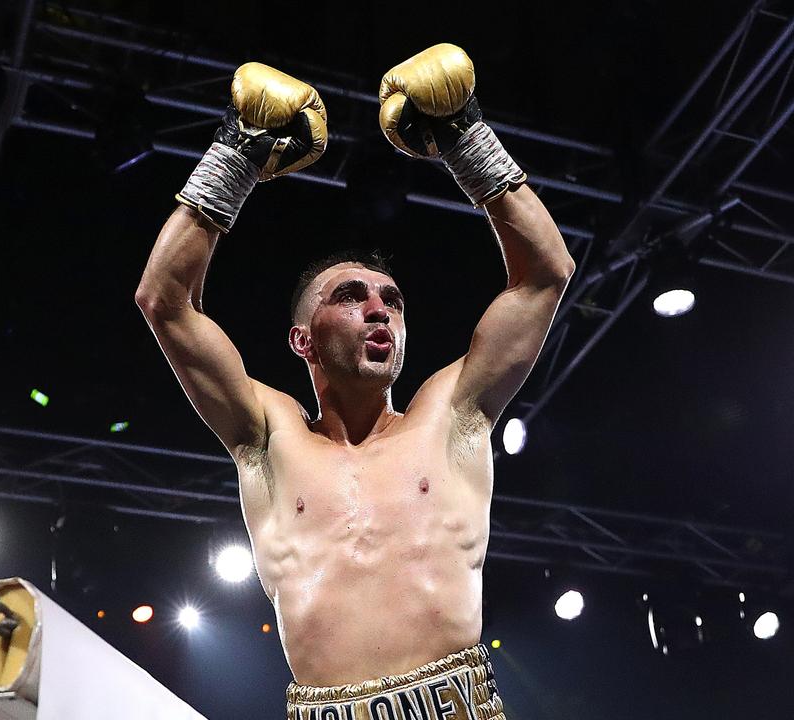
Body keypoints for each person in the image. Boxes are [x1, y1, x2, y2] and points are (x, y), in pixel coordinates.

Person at [136, 44, 575, 720]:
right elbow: (164, 301)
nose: (379, 309)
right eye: (351, 295)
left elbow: (545, 274)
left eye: (392, 300)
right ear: (302, 339)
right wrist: (239, 150)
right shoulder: (268, 436)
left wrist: (465, 137)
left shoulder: (452, 415)